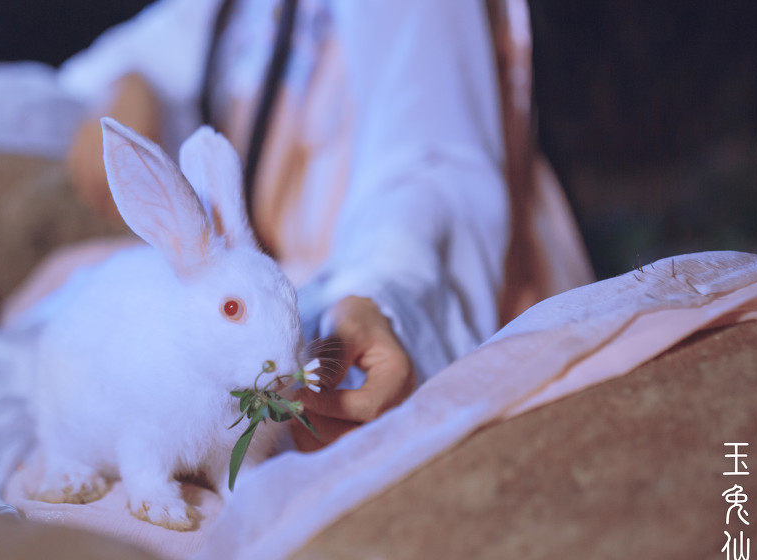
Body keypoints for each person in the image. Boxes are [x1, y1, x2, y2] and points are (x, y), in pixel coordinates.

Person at [50, 0, 512, 449]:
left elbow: (430, 167)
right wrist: (129, 83)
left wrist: (381, 295)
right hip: (270, 284)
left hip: (358, 280)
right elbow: (151, 46)